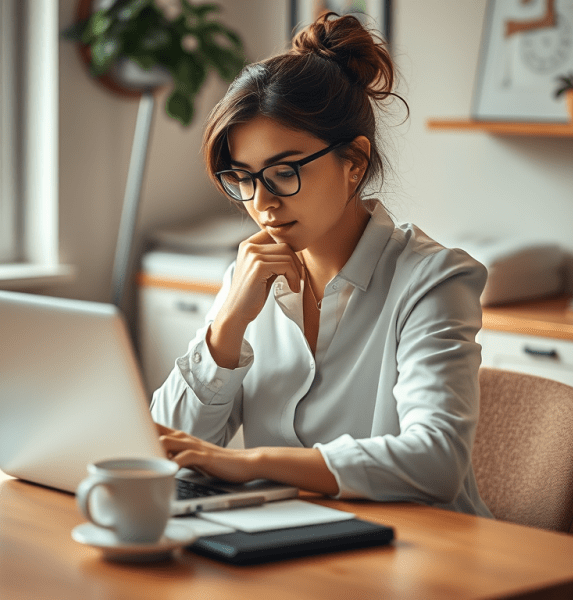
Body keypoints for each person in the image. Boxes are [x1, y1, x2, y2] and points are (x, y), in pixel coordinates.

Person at [150, 12, 492, 517]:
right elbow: (167, 447)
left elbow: (436, 461)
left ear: (354, 161)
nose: (262, 203)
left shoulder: (434, 281)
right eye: (242, 178)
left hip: (422, 548)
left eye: (284, 172)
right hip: (291, 537)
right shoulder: (248, 279)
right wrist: (227, 327)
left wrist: (250, 463)